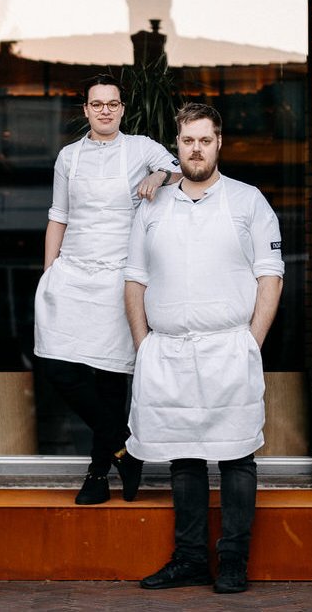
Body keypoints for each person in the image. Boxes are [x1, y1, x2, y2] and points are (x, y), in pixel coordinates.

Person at [123, 103, 284, 595]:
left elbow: (270, 277)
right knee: (183, 458)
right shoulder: (152, 205)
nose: (196, 149)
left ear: (219, 143)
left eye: (205, 140)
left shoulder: (248, 200)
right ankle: (190, 558)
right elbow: (134, 279)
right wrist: (143, 344)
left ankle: (233, 560)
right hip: (167, 350)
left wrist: (250, 344)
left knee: (237, 457)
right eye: (188, 141)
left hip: (229, 346)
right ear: (178, 146)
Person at [35, 74, 180, 505]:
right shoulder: (68, 157)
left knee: (114, 378)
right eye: (96, 104)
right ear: (85, 110)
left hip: (121, 274)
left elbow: (183, 171)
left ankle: (97, 476)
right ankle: (123, 444)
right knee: (57, 366)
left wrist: (158, 176)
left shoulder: (141, 146)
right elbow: (58, 216)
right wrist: (49, 275)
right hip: (74, 273)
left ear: (122, 108)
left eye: (112, 104)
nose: (104, 110)